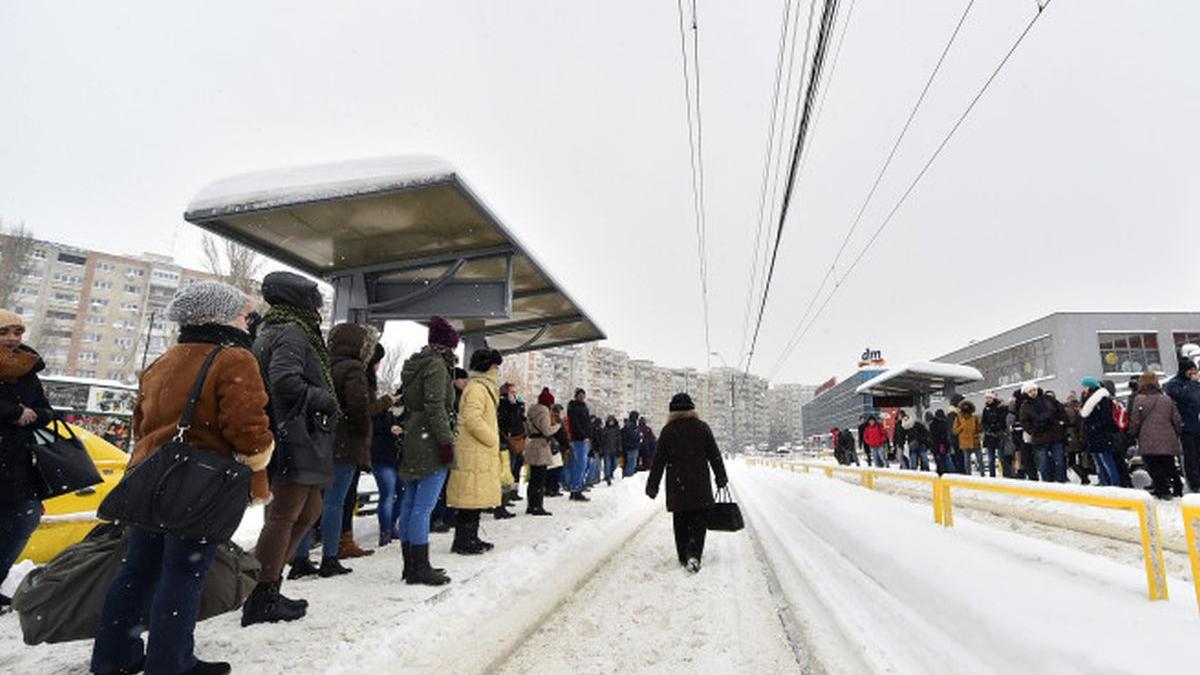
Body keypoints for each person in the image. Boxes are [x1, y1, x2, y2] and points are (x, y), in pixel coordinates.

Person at [92, 282, 274, 675]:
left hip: (150, 479)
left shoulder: (163, 360)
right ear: (220, 316)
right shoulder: (235, 359)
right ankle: (170, 663)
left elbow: (141, 425)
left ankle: (114, 657)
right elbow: (248, 429)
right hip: (199, 484)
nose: (248, 320)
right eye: (243, 313)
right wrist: (261, 455)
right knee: (184, 571)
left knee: (136, 569)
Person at [243, 271, 338, 627]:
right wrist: (324, 399)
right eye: (316, 303)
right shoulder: (293, 333)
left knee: (308, 509)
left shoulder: (273, 330)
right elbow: (284, 381)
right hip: (295, 435)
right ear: (302, 304)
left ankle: (266, 583)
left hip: (292, 433)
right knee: (284, 515)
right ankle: (261, 593)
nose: (319, 311)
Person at [323, 323, 394, 571]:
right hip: (345, 444)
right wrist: (363, 437)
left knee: (315, 499)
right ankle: (331, 555)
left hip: (322, 441)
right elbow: (359, 410)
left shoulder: (325, 363)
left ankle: (301, 555)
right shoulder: (354, 369)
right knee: (337, 500)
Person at [395, 317, 459, 585]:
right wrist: (446, 442)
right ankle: (420, 567)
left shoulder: (417, 363)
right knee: (424, 507)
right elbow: (436, 407)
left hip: (413, 435)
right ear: (446, 345)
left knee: (411, 503)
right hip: (429, 440)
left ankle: (411, 566)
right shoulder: (436, 366)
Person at [0, 310, 53, 613]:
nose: (12, 339)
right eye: (4, 332)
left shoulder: (28, 371)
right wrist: (14, 412)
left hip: (18, 465)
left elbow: (46, 412)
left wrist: (31, 414)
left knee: (24, 519)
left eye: (17, 332)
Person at [645, 393, 728, 574]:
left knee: (680, 520)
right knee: (699, 521)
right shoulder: (702, 428)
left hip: (677, 485)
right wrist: (721, 476)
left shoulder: (669, 431)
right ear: (692, 409)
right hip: (699, 484)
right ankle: (694, 555)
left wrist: (653, 485)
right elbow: (714, 455)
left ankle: (683, 555)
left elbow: (658, 460)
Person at [448, 349, 505, 555]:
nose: (497, 370)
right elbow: (472, 418)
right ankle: (463, 541)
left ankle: (470, 537)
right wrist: (491, 438)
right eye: (495, 366)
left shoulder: (482, 387)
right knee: (469, 498)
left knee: (475, 497)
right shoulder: (478, 388)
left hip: (478, 451)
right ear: (488, 366)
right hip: (475, 450)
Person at [1129, 371, 1183, 500]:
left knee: (1153, 465)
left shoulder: (1139, 399)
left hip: (1148, 439)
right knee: (1169, 465)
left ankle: (1162, 489)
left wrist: (1132, 433)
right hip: (1168, 437)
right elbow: (1176, 419)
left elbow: (1135, 421)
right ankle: (1177, 487)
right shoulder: (1166, 399)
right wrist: (1176, 433)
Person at [371, 387, 404, 547]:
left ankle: (391, 524)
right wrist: (388, 429)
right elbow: (372, 427)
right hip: (382, 457)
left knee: (402, 493)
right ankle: (385, 530)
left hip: (398, 458)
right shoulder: (379, 410)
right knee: (388, 494)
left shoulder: (405, 413)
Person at [1164, 357, 1200, 493]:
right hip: (1187, 426)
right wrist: (1193, 384)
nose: (1193, 373)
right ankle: (1194, 482)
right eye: (1191, 371)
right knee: (1191, 457)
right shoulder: (1174, 384)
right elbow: (1184, 396)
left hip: (1197, 423)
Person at [1020, 383, 1066, 483]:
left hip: (1054, 434)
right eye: (1030, 391)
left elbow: (1060, 409)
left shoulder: (1047, 399)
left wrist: (1060, 423)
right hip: (1039, 438)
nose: (1033, 393)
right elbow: (1024, 421)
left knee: (1059, 460)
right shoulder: (1025, 406)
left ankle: (1061, 481)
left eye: (1034, 390)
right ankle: (1047, 482)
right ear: (1026, 393)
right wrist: (1033, 431)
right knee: (1043, 463)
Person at [523, 388, 559, 516]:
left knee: (533, 478)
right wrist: (557, 426)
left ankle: (530, 505)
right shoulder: (544, 411)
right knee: (540, 478)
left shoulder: (531, 410)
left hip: (532, 444)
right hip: (541, 446)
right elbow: (547, 431)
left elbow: (526, 429)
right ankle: (537, 506)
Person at [1080, 377, 1120, 486]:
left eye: (1084, 386)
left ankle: (1114, 484)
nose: (1083, 389)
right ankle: (1103, 482)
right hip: (1094, 435)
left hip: (1101, 435)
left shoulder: (1102, 399)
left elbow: (1106, 418)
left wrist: (1094, 426)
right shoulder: (1089, 399)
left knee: (1106, 461)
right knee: (1099, 462)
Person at [565, 388, 593, 502]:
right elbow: (576, 425)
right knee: (579, 466)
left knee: (581, 465)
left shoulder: (583, 407)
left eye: (583, 395)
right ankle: (576, 490)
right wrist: (584, 436)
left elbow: (586, 423)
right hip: (579, 440)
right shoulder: (574, 408)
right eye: (580, 395)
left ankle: (577, 488)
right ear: (576, 396)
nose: (582, 397)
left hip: (584, 440)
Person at [981, 391, 1007, 478]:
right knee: (991, 458)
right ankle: (992, 476)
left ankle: (1005, 474)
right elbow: (983, 422)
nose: (988, 400)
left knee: (1001, 457)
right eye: (987, 398)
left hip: (999, 435)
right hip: (989, 436)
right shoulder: (985, 409)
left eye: (990, 398)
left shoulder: (1000, 407)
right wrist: (988, 430)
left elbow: (1003, 420)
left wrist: (996, 428)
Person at [953, 400, 982, 476]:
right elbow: (955, 431)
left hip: (973, 441)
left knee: (979, 460)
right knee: (968, 461)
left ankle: (980, 474)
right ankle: (970, 475)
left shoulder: (974, 418)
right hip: (967, 442)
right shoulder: (958, 419)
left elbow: (979, 428)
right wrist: (962, 426)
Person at [598, 415, 622, 484]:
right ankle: (607, 476)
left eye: (612, 421)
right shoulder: (605, 430)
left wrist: (619, 449)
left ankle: (610, 474)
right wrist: (601, 450)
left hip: (615, 449)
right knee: (607, 464)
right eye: (610, 421)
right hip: (606, 450)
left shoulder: (617, 430)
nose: (611, 423)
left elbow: (619, 440)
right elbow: (602, 441)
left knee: (614, 464)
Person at [929, 411, 952, 475]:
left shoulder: (932, 424)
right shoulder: (945, 423)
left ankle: (941, 472)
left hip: (936, 445)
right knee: (945, 459)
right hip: (943, 444)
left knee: (939, 460)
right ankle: (946, 472)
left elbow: (932, 436)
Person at [621, 411, 642, 477]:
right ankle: (628, 478)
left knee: (629, 463)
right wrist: (639, 435)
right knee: (631, 464)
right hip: (632, 447)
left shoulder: (628, 425)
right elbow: (633, 435)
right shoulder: (631, 425)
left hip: (629, 446)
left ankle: (627, 477)